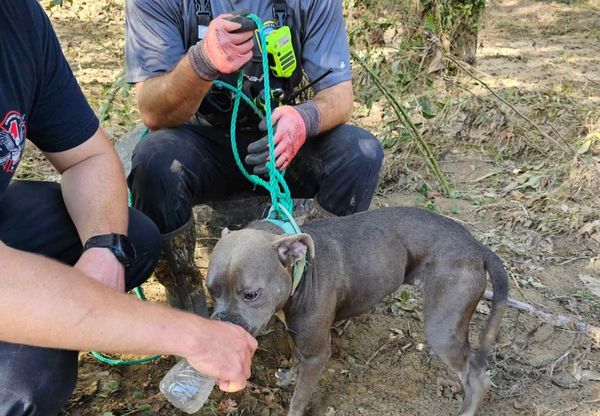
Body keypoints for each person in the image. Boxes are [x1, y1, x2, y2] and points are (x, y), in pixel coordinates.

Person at [0, 1, 257, 414]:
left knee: (132, 237)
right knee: (24, 385)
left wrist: (103, 246)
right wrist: (191, 337)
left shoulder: (17, 20)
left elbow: (88, 158)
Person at [125, 0, 385, 316]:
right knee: (155, 159)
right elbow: (153, 110)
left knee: (360, 153)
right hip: (199, 144)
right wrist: (201, 62)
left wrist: (304, 119)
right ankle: (185, 296)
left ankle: (312, 289)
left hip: (279, 138)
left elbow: (339, 97)